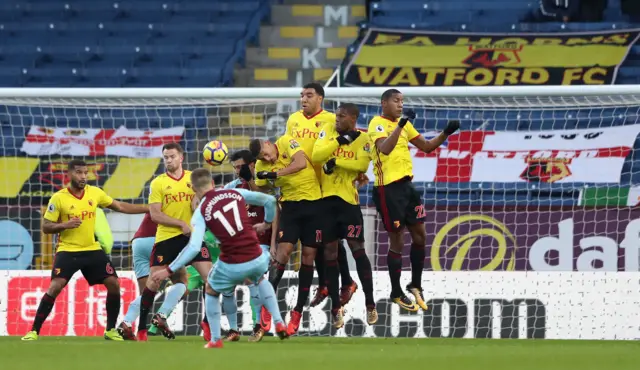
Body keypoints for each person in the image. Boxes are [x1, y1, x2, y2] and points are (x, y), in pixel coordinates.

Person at [150, 169, 288, 348]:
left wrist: (168, 270)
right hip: (256, 255)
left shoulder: (200, 211)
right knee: (260, 278)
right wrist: (267, 223)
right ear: (213, 184)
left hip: (231, 263)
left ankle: (215, 339)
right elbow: (269, 200)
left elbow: (193, 247)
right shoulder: (234, 192)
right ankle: (278, 321)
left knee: (211, 290)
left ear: (193, 188)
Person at [21, 159, 149, 341]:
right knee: (55, 286)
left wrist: (148, 209)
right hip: (68, 250)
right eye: (79, 173)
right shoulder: (58, 198)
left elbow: (120, 206)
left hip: (91, 249)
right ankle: (33, 331)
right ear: (70, 174)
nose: (83, 177)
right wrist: (66, 224)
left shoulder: (95, 193)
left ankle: (110, 330)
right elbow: (46, 226)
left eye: (85, 173)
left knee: (113, 283)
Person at [368, 89, 459, 311]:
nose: (400, 105)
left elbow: (427, 147)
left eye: (402, 101)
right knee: (396, 239)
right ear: (384, 103)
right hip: (387, 189)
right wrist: (400, 125)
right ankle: (396, 291)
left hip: (407, 187)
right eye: (396, 101)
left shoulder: (405, 124)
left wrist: (446, 133)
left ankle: (415, 284)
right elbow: (385, 149)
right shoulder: (376, 124)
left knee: (420, 236)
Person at [284, 82, 357, 310]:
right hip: (303, 188)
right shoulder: (293, 119)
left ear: (320, 98)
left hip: (327, 185)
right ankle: (327, 283)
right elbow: (288, 147)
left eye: (309, 95)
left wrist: (353, 175)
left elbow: (346, 144)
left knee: (332, 239)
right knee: (313, 239)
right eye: (302, 95)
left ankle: (345, 282)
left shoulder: (330, 119)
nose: (303, 99)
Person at [134, 142, 212, 341]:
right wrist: (180, 224)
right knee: (153, 282)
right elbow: (155, 214)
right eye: (165, 158)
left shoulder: (192, 178)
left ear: (181, 158)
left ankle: (207, 323)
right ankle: (141, 328)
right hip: (167, 239)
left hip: (192, 239)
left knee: (211, 279)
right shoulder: (158, 183)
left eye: (172, 157)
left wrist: (199, 203)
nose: (168, 160)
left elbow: (201, 203)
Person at [249, 133, 322, 336]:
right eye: (262, 159)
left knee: (308, 258)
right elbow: (260, 190)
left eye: (267, 154)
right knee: (283, 253)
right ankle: (266, 308)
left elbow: (300, 163)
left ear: (268, 143)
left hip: (314, 205)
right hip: (290, 208)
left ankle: (297, 311)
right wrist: (253, 176)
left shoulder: (287, 141)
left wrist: (274, 175)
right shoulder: (261, 167)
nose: (268, 160)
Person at [312, 103, 378, 326]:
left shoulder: (364, 138)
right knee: (329, 253)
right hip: (325, 203)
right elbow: (317, 154)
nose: (337, 119)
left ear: (353, 118)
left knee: (357, 250)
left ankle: (370, 304)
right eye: (336, 116)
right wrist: (339, 142)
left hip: (348, 203)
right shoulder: (329, 132)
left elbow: (361, 164)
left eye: (341, 116)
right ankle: (336, 308)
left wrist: (337, 161)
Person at [224, 150, 277, 341]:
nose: (238, 171)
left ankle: (258, 325)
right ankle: (233, 329)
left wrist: (273, 244)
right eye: (235, 167)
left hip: (261, 243)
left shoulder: (266, 181)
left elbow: (272, 205)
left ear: (253, 165)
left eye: (241, 167)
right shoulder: (236, 185)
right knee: (226, 284)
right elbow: (217, 193)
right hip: (239, 243)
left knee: (253, 279)